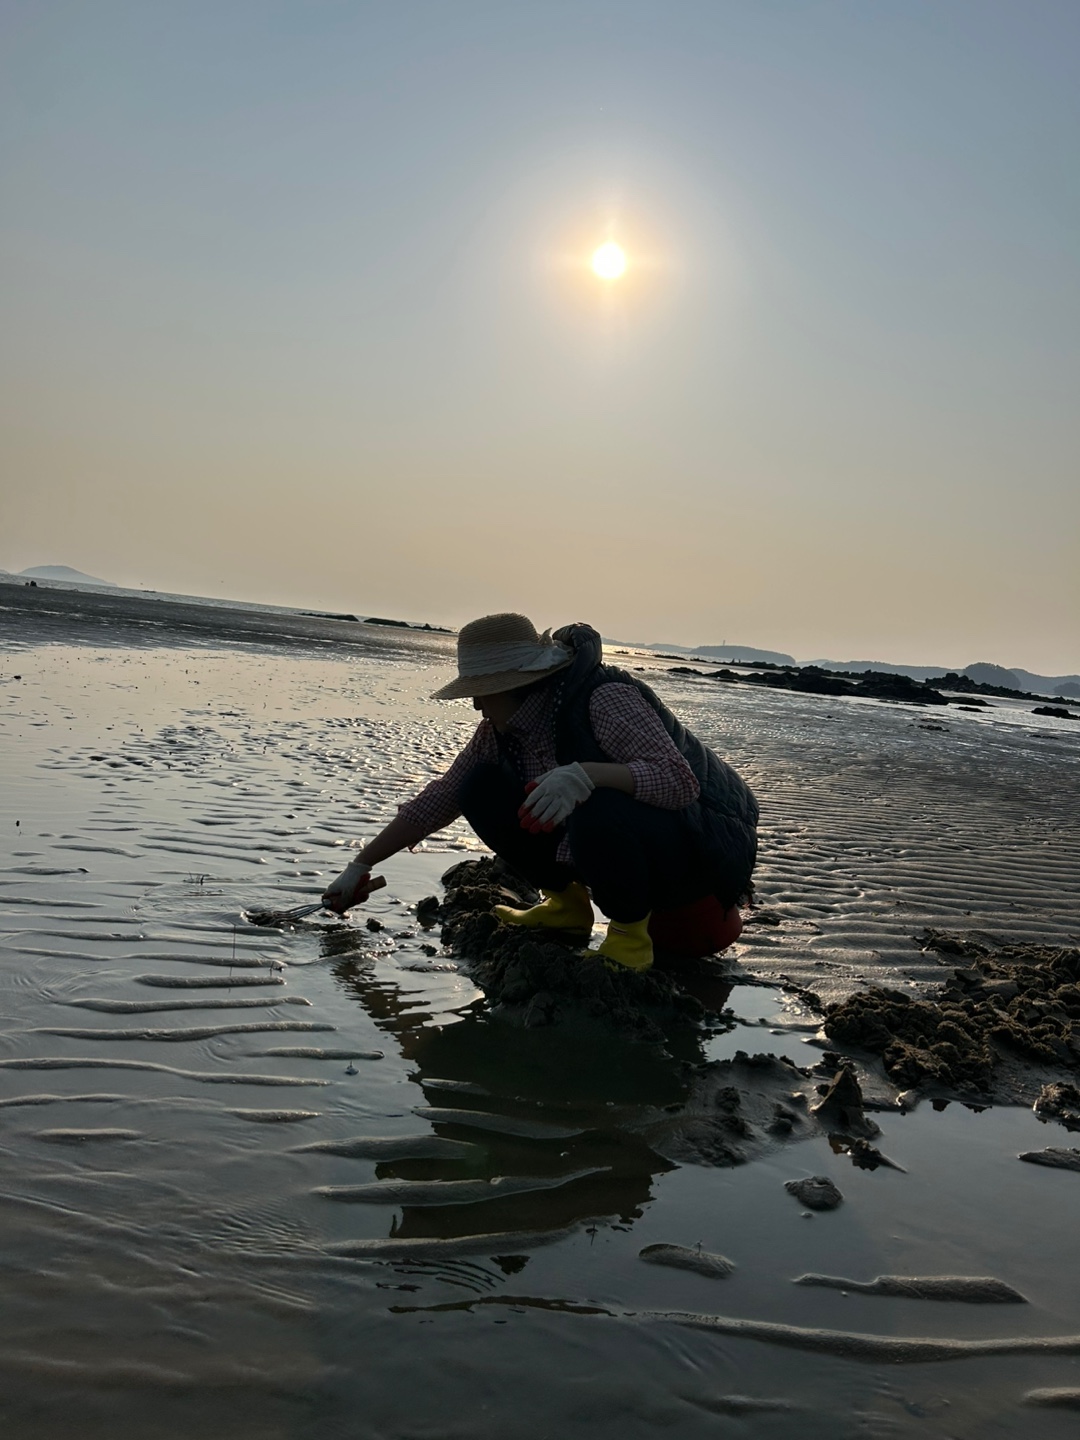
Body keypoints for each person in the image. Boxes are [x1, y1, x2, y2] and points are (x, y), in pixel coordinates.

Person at [322, 613, 759, 973]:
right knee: (478, 788)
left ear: (515, 684)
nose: (475, 705)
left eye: (482, 693)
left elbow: (679, 783)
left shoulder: (604, 698)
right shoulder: (501, 730)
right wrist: (360, 864)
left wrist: (587, 774)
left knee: (597, 800)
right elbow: (443, 796)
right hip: (624, 848)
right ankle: (566, 908)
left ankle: (629, 941)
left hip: (698, 853)